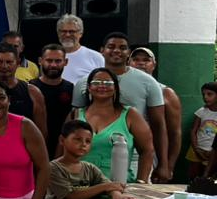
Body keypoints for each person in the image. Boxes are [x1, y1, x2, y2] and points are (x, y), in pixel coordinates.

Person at [70, 33, 169, 180]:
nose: (116, 51)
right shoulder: (84, 83)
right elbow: (74, 125)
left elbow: (159, 125)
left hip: (133, 159)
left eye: (122, 48)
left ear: (128, 53)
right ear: (102, 50)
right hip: (87, 159)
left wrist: (163, 164)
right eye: (111, 47)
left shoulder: (148, 83)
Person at [76, 68, 154, 182]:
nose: (102, 86)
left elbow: (147, 150)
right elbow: (63, 149)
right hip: (81, 185)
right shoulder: (76, 114)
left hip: (119, 187)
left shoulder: (130, 115)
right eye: (96, 82)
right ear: (89, 88)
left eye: (108, 83)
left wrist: (141, 182)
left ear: (115, 88)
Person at [130, 48, 183, 181]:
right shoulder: (121, 88)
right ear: (129, 63)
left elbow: (175, 133)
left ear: (154, 64)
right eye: (136, 59)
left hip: (153, 155)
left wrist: (167, 166)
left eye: (146, 60)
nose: (140, 63)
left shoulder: (166, 93)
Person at [0, 43, 49, 147]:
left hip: (23, 153)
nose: (4, 66)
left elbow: (41, 133)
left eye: (9, 62)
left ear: (18, 63)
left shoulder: (33, 93)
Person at [32, 44, 74, 159]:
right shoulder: (30, 88)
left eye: (58, 61)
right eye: (49, 60)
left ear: (66, 62)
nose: (53, 65)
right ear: (40, 61)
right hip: (33, 146)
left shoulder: (71, 89)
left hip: (64, 148)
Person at [56, 14, 104, 84]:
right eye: (63, 31)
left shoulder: (96, 57)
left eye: (72, 31)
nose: (67, 35)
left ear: (80, 33)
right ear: (58, 33)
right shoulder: (50, 58)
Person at [191, 83, 217, 179]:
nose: (205, 97)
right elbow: (193, 131)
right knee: (194, 176)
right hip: (197, 149)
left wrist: (213, 152)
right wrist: (196, 148)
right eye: (203, 94)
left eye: (209, 94)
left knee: (208, 177)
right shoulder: (201, 112)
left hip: (212, 152)